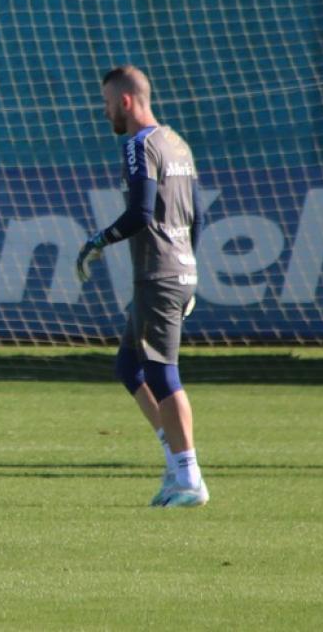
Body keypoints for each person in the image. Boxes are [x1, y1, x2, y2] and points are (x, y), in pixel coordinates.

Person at [75, 65, 208, 508]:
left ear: (126, 102)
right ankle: (175, 463)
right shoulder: (177, 142)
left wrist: (98, 240)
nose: (106, 112)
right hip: (180, 268)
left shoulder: (140, 144)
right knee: (129, 366)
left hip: (159, 273)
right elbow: (196, 215)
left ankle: (189, 477)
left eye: (108, 103)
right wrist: (192, 267)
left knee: (161, 372)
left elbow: (141, 213)